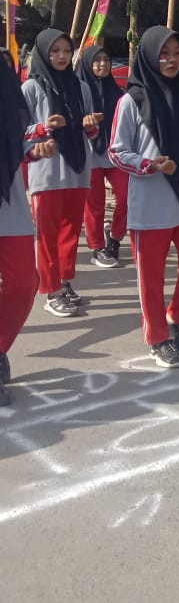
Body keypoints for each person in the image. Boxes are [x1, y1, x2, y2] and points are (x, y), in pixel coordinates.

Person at [108, 27, 179, 368]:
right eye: (163, 53)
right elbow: (117, 151)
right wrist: (148, 164)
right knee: (150, 278)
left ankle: (175, 318)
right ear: (150, 56)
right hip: (150, 203)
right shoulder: (131, 101)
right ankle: (157, 338)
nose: (170, 59)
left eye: (177, 53)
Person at [21, 29, 101, 317]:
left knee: (70, 231)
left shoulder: (81, 88)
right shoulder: (31, 89)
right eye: (55, 51)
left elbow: (91, 129)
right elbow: (17, 132)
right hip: (47, 170)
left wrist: (91, 125)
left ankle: (65, 281)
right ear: (43, 53)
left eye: (66, 51)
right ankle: (50, 289)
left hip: (78, 168)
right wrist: (43, 128)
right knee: (47, 233)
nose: (61, 56)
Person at [0, 55, 55, 405]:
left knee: (24, 282)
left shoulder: (5, 81)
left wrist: (34, 151)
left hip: (10, 203)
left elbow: (13, 138)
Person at [78, 46, 128, 269]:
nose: (102, 64)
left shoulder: (118, 92)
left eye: (106, 59)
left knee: (128, 198)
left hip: (115, 152)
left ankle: (115, 238)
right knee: (94, 203)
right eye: (96, 60)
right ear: (87, 64)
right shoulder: (78, 90)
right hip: (89, 153)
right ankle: (97, 247)